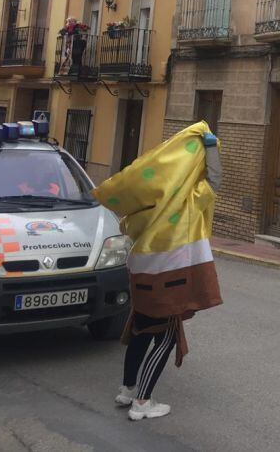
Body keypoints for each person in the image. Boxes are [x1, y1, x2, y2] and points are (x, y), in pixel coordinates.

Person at [96, 124, 223, 421]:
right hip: (169, 277)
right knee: (165, 337)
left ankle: (127, 389)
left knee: (141, 329)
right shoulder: (188, 202)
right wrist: (211, 148)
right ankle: (143, 401)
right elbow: (215, 180)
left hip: (142, 274)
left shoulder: (146, 207)